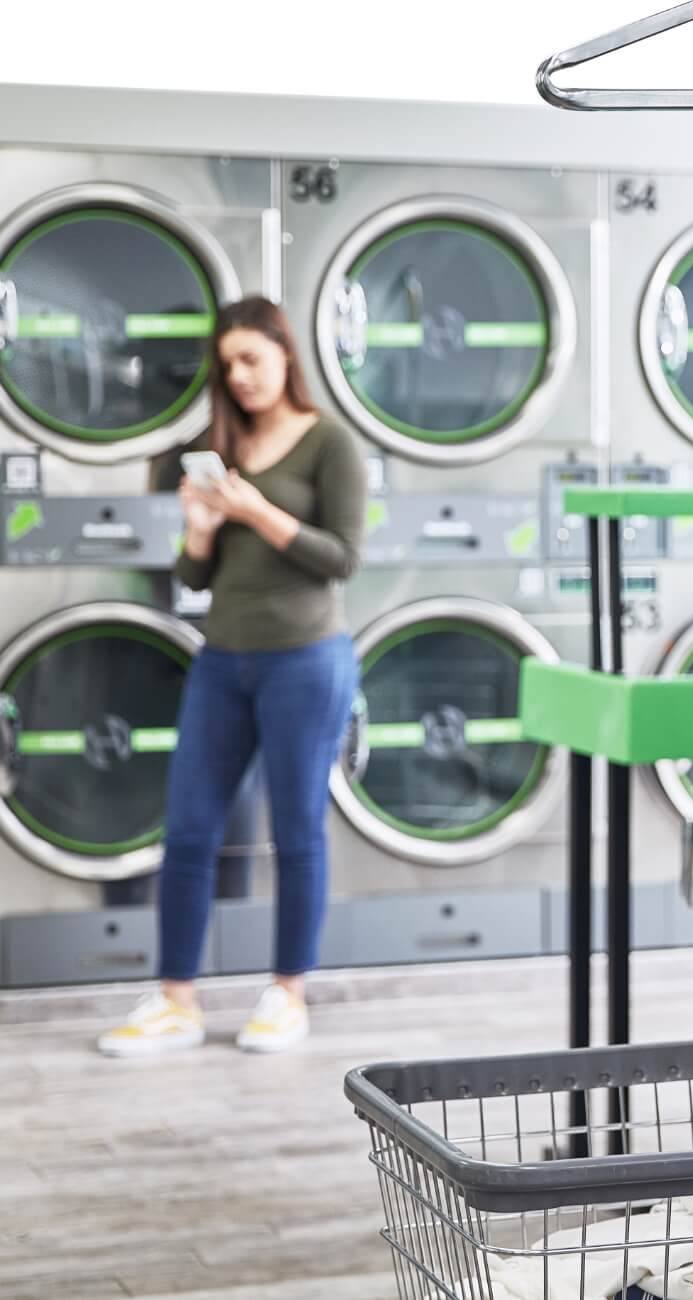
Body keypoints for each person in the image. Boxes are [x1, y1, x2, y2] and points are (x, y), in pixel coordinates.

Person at [99, 296, 366, 1058]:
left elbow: (343, 557)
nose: (240, 376)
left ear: (284, 354)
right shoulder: (228, 443)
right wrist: (203, 527)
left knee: (295, 834)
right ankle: (176, 1000)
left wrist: (255, 511)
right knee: (187, 831)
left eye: (252, 358)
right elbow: (195, 575)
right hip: (223, 660)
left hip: (306, 661)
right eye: (228, 366)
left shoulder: (329, 444)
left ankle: (287, 993)